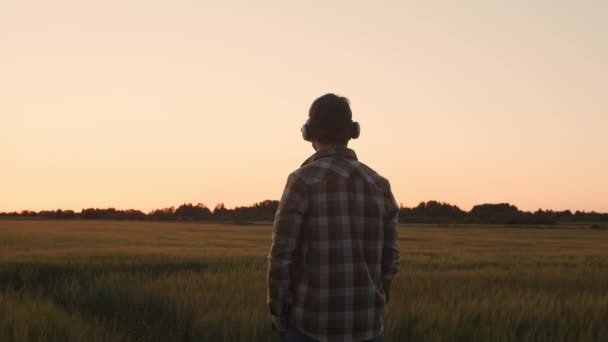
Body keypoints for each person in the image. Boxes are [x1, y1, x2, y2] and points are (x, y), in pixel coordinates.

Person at [267, 93, 400, 342]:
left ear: (308, 132)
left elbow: (281, 257)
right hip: (369, 329)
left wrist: (279, 316)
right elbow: (390, 260)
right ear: (353, 132)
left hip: (309, 328)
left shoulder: (301, 181)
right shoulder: (379, 184)